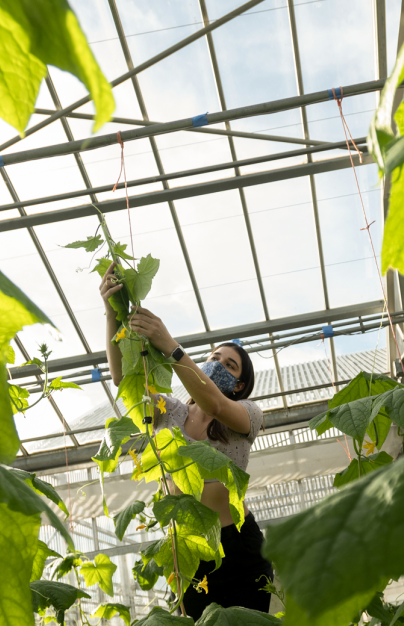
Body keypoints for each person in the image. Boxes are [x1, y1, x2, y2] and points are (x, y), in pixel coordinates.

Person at [100, 262, 274, 617]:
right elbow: (124, 381)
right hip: (190, 548)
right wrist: (112, 314)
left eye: (229, 365)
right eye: (214, 358)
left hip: (238, 546)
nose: (217, 364)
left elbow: (213, 402)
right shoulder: (172, 411)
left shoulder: (248, 415)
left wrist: (170, 346)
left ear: (239, 384)